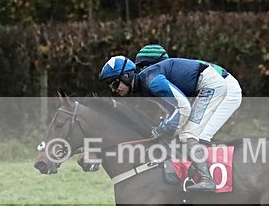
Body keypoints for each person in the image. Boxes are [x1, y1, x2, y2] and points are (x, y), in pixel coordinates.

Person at [98, 54, 231, 191]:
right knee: (177, 133)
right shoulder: (145, 84)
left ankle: (207, 180)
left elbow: (184, 107)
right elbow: (172, 109)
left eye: (115, 84)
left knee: (187, 135)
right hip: (205, 85)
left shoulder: (152, 82)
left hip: (211, 86)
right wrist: (164, 127)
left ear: (126, 76)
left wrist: (164, 128)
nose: (113, 89)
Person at [134, 44, 242, 143]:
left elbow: (184, 108)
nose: (144, 71)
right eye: (141, 67)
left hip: (228, 89)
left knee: (197, 136)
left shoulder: (173, 72)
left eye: (147, 66)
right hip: (213, 87)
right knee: (183, 134)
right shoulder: (174, 69)